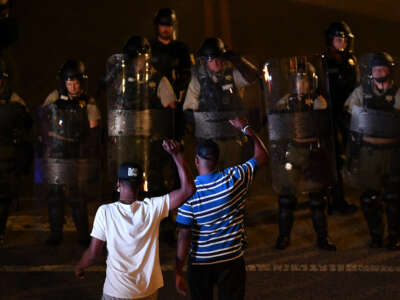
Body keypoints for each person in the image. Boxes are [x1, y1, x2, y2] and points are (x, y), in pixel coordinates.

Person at [75, 140, 195, 300]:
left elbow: (93, 254)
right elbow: (188, 189)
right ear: (140, 186)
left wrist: (80, 266)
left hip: (116, 293)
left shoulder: (105, 212)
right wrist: (177, 156)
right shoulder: (153, 208)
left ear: (118, 184)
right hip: (147, 292)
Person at [175, 116, 268, 300]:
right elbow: (262, 155)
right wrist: (246, 127)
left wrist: (178, 269)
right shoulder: (235, 178)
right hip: (232, 259)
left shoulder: (189, 193)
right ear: (217, 161)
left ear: (196, 161)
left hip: (201, 263)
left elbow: (184, 236)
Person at [265, 58, 337, 251]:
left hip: (313, 151)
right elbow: (275, 119)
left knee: (316, 198)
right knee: (286, 197)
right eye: (298, 80)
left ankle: (323, 238)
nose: (302, 84)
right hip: (293, 150)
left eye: (305, 80)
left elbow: (322, 124)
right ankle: (283, 237)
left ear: (311, 82)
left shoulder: (318, 100)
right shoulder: (287, 100)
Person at [38, 59, 101, 246]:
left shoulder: (88, 103)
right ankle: (55, 233)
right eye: (69, 82)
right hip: (57, 154)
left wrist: (87, 152)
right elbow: (43, 119)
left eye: (76, 82)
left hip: (77, 155)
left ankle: (82, 235)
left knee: (78, 196)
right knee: (55, 195)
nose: (72, 86)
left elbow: (94, 129)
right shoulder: (54, 97)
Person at [344, 52, 400, 250]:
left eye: (384, 68)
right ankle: (376, 235)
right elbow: (352, 111)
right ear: (371, 73)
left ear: (390, 71)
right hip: (369, 152)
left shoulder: (397, 91)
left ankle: (394, 235)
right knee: (370, 198)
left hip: (393, 152)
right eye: (376, 69)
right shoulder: (362, 92)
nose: (380, 72)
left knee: (394, 197)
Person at [183, 37, 260, 169]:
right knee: (212, 180)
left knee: (233, 179)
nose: (217, 62)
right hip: (209, 141)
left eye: (219, 58)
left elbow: (253, 76)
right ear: (205, 61)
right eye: (212, 59)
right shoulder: (198, 81)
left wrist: (238, 60)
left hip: (232, 139)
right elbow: (189, 109)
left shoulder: (232, 76)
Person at [323, 21, 359, 215]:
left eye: (344, 39)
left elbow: (356, 86)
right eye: (338, 38)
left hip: (348, 113)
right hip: (329, 114)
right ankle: (336, 200)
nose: (342, 42)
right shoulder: (325, 61)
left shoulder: (350, 60)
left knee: (351, 154)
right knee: (334, 157)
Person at [0, 58, 31, 246]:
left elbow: (27, 125)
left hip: (6, 157)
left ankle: (1, 231)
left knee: (3, 197)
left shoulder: (15, 101)